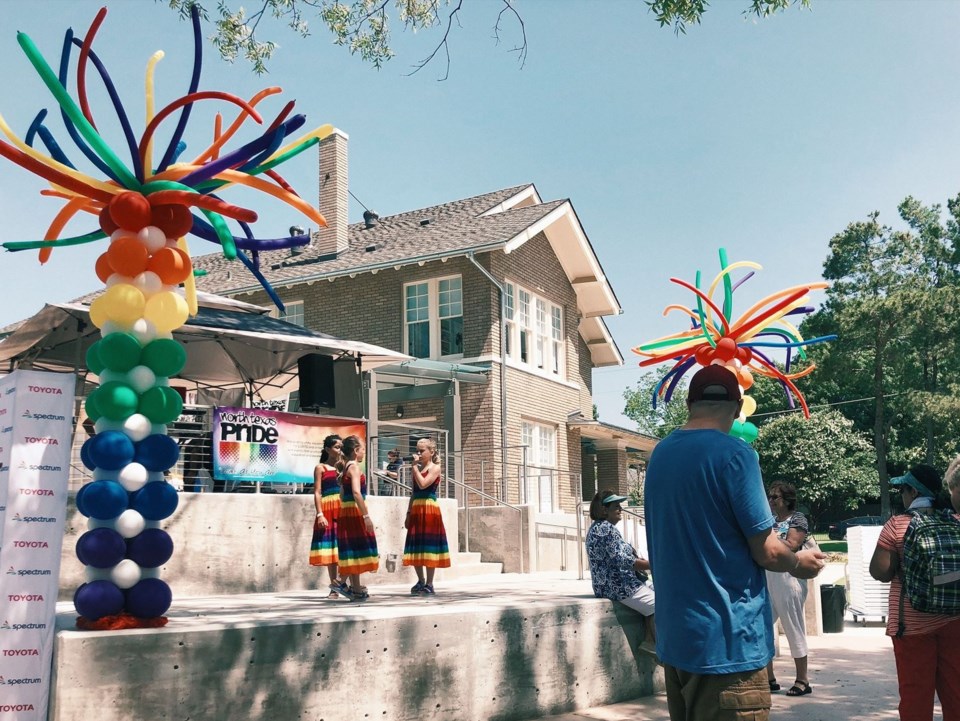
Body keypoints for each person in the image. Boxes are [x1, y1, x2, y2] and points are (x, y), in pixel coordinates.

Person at [644, 364, 825, 721]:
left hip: (679, 642)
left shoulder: (659, 455)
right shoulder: (736, 455)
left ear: (690, 404)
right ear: (736, 405)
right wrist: (799, 561)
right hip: (728, 646)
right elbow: (769, 551)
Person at [869, 464, 960, 721]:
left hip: (912, 627)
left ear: (912, 492)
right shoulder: (955, 521)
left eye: (903, 489)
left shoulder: (898, 524)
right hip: (955, 620)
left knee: (915, 698)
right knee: (956, 694)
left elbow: (881, 572)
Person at [584, 489, 657, 658]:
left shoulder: (602, 528)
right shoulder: (605, 530)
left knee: (661, 593)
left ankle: (649, 639)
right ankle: (653, 643)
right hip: (617, 585)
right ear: (604, 510)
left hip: (619, 582)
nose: (620, 509)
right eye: (616, 506)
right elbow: (622, 561)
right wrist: (653, 565)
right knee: (658, 604)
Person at [764, 481, 812, 696]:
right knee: (762, 628)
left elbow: (792, 544)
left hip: (789, 578)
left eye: (775, 497)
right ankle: (769, 678)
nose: (771, 501)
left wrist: (768, 544)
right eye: (770, 497)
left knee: (793, 627)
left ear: (787, 500)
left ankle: (803, 680)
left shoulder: (797, 519)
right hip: (768, 579)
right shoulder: (769, 521)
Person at [332, 435, 379, 600]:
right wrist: (366, 516)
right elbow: (356, 492)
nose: (364, 452)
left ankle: (356, 588)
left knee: (353, 548)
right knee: (360, 546)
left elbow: (341, 494)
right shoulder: (354, 467)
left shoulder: (346, 467)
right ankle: (340, 581)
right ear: (355, 451)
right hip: (354, 510)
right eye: (363, 449)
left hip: (345, 510)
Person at [402, 437, 451, 595]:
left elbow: (423, 484)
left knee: (429, 544)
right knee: (416, 544)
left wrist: (415, 468)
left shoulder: (435, 468)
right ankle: (420, 580)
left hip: (429, 507)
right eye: (417, 449)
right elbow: (414, 492)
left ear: (431, 452)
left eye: (422, 450)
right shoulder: (417, 468)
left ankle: (430, 583)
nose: (419, 453)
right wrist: (408, 512)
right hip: (417, 507)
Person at [309, 434, 343, 598]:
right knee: (331, 548)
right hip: (328, 508)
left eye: (342, 447)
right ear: (328, 450)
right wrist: (320, 514)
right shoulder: (320, 468)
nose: (340, 450)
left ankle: (346, 583)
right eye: (337, 447)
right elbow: (317, 492)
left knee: (345, 546)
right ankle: (334, 586)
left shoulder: (345, 466)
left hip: (343, 508)